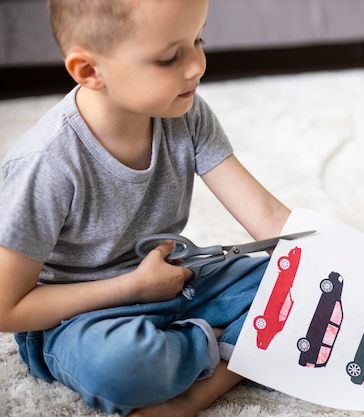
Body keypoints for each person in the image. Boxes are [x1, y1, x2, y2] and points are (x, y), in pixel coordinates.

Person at [0, 0, 291, 416]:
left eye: (198, 39)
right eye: (169, 57)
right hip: (79, 316)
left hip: (175, 279)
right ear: (89, 72)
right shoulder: (44, 163)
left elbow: (268, 217)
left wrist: (344, 263)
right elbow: (7, 307)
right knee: (122, 368)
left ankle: (203, 377)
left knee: (304, 284)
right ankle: (233, 350)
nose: (196, 66)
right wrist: (133, 289)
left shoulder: (185, 114)